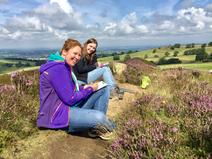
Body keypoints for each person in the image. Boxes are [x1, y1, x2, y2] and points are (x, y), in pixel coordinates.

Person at [37, 38, 115, 140]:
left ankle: (96, 129)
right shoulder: (57, 68)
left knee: (103, 89)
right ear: (64, 52)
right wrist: (90, 89)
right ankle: (108, 125)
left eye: (79, 55)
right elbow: (70, 98)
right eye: (75, 53)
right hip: (57, 115)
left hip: (68, 107)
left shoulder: (64, 65)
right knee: (100, 118)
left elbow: (70, 91)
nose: (77, 57)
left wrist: (84, 88)